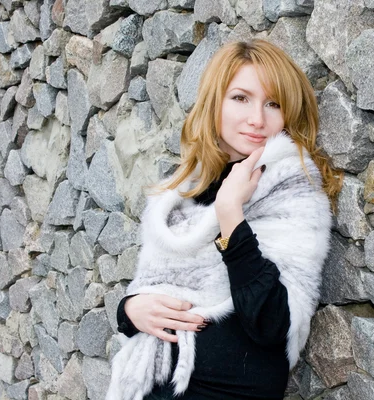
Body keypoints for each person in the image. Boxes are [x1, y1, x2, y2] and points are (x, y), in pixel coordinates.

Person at [105, 39, 342, 400]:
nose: (257, 119)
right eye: (240, 98)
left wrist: (230, 213)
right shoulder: (182, 192)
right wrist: (129, 310)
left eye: (273, 103)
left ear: (288, 115)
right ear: (215, 101)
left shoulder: (291, 190)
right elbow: (155, 286)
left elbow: (273, 325)